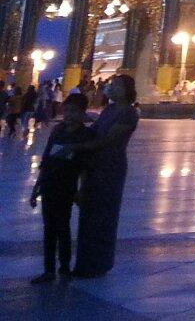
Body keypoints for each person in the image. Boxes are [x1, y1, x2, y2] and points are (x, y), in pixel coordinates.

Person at [72, 74, 140, 278]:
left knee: (104, 214)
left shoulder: (129, 113)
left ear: (127, 90)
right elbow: (95, 131)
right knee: (89, 213)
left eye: (116, 85)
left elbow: (109, 139)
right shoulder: (109, 109)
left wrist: (79, 147)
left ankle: (99, 263)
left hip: (110, 166)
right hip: (95, 164)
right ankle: (84, 262)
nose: (111, 88)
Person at [29, 92, 93, 284]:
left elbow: (85, 166)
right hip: (50, 184)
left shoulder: (85, 135)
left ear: (82, 113)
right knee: (49, 229)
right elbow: (46, 160)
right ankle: (49, 270)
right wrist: (36, 187)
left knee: (63, 227)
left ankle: (64, 266)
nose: (68, 114)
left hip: (67, 186)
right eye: (66, 110)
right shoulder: (57, 131)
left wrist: (81, 190)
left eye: (73, 111)